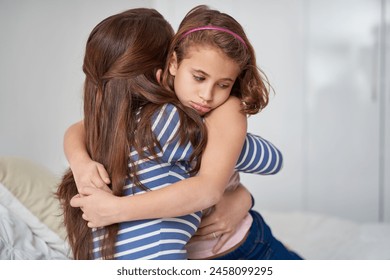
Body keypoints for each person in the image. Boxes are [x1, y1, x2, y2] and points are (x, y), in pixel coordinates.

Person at [61, 5, 302, 260]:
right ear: (171, 65)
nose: (207, 96)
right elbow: (82, 127)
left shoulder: (214, 115)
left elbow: (268, 162)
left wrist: (242, 196)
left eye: (223, 85)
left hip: (242, 246)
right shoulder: (145, 120)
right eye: (198, 78)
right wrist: (81, 161)